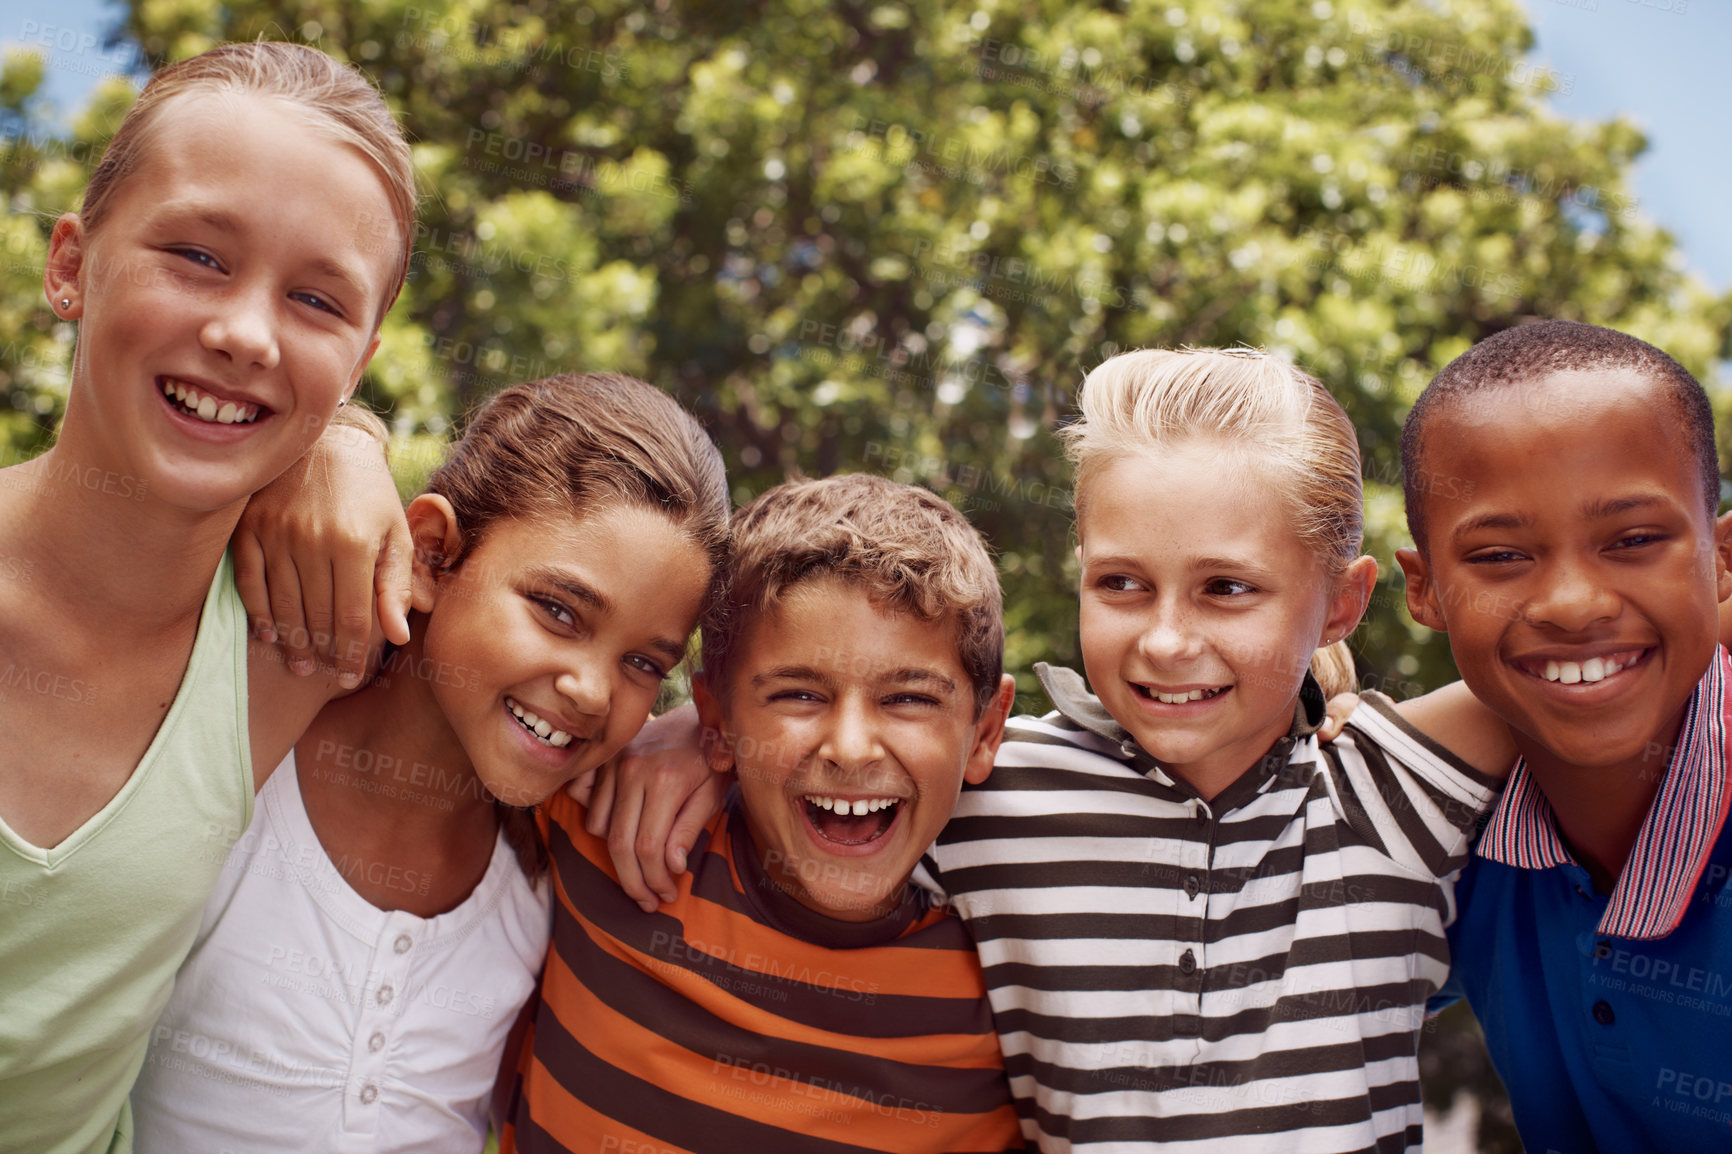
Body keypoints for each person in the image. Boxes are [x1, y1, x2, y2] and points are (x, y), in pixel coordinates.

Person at [593, 348, 1517, 1151]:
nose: (1164, 640)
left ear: (1346, 601)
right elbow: (834, 747)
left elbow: (1583, 677)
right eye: (1120, 583)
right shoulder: (996, 789)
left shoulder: (1399, 785)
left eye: (1227, 589)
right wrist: (687, 735)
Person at [129, 373, 729, 1153]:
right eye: (557, 611)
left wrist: (707, 742)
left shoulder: (564, 865)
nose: (591, 691)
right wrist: (344, 438)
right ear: (436, 557)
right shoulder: (237, 748)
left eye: (645, 664)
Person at [0, 41, 418, 1154]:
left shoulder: (307, 643)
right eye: (195, 254)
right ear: (71, 267)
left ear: (363, 357)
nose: (244, 333)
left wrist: (349, 447)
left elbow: (563, 683)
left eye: (316, 299)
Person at [502, 473, 1027, 1153]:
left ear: (986, 733)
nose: (849, 749)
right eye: (799, 695)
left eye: (909, 700)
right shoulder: (601, 817)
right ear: (716, 718)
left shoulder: (1020, 974)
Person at [1399, 320, 1732, 1153]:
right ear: (1424, 589)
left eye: (1634, 540)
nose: (1574, 602)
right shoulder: (1435, 831)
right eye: (1502, 555)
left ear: (1722, 559)